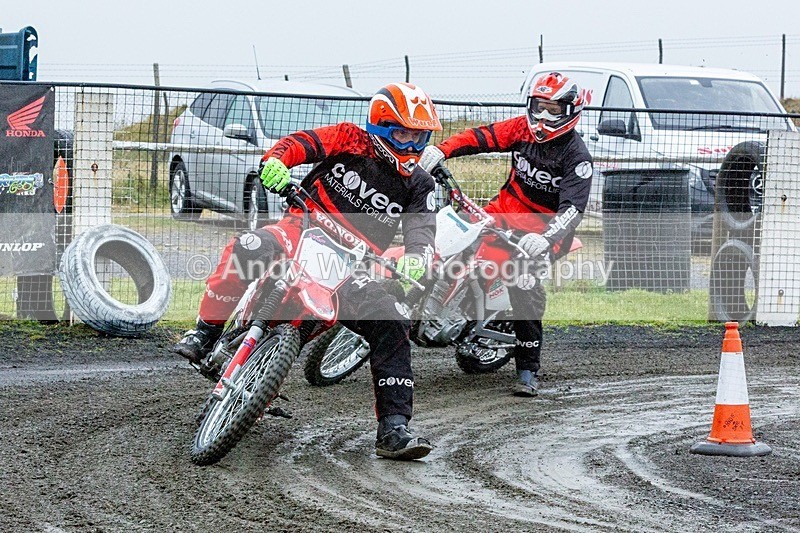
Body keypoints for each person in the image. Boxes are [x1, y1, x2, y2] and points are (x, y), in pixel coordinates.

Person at [173, 82, 441, 460]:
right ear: (380, 128)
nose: (412, 146)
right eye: (402, 134)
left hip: (351, 264)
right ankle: (206, 332)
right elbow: (299, 143)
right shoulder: (349, 139)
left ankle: (393, 429)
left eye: (420, 137)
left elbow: (422, 230)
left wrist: (417, 257)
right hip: (300, 228)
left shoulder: (420, 184)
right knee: (247, 247)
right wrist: (276, 162)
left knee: (394, 317)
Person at [419, 72, 593, 397]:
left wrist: (545, 239)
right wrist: (442, 150)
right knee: (448, 242)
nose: (543, 117)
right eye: (539, 107)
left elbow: (572, 210)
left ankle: (528, 370)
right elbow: (482, 137)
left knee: (522, 284)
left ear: (570, 112)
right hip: (502, 213)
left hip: (545, 232)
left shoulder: (577, 156)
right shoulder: (521, 128)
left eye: (553, 109)